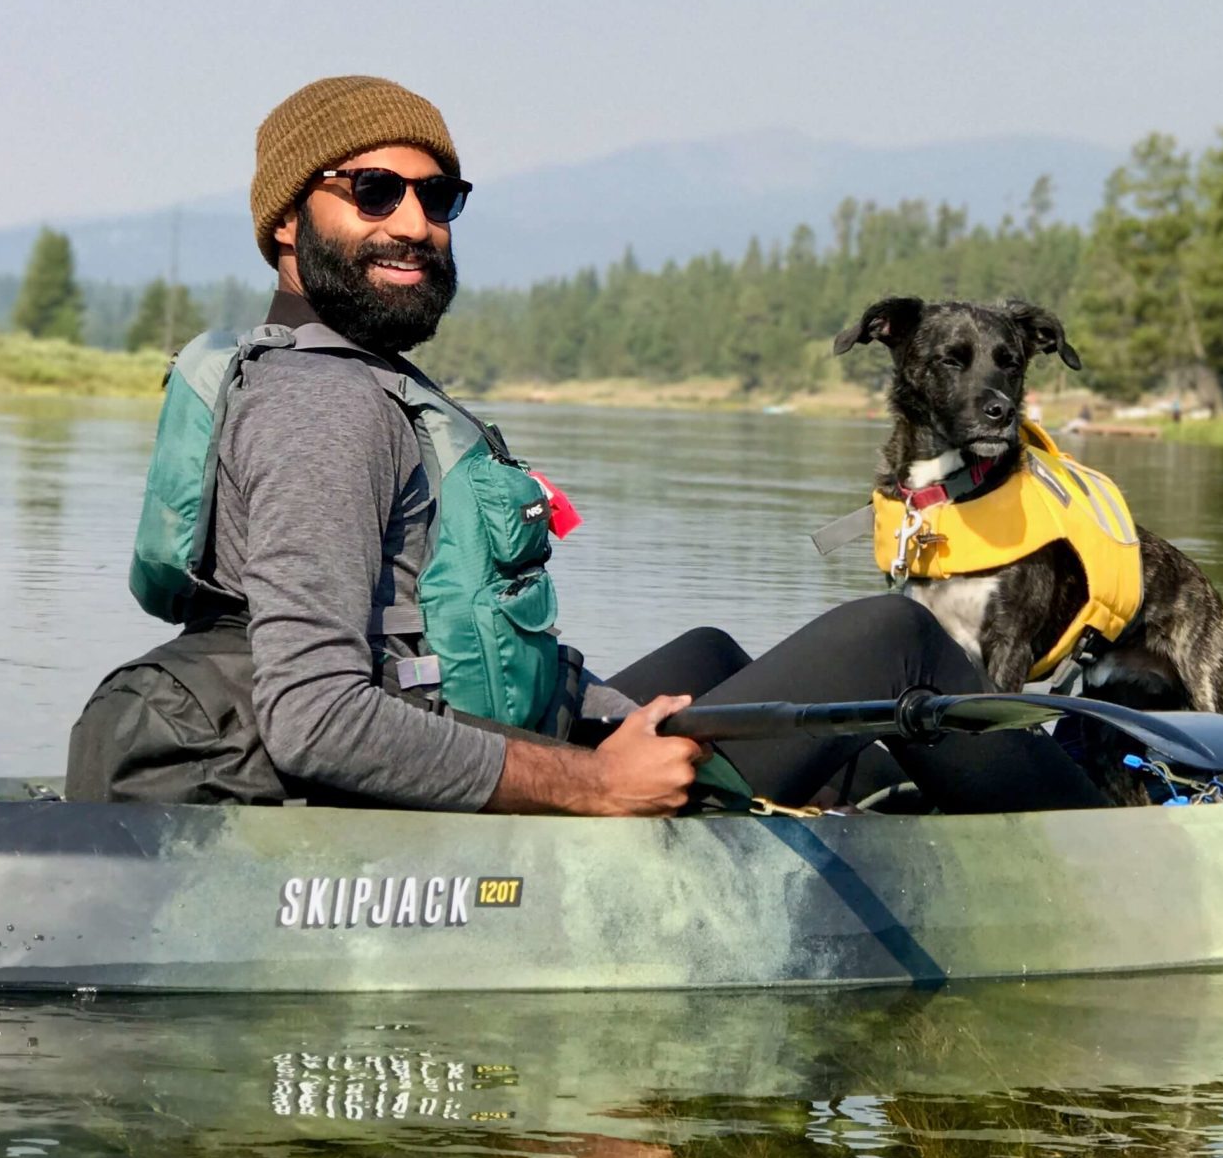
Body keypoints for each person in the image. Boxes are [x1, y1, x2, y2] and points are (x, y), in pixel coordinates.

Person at [68, 74, 1097, 816]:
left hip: (464, 742)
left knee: (708, 663)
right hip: (420, 821)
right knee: (890, 639)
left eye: (439, 197)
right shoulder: (324, 408)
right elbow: (316, 719)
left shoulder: (331, 374)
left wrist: (616, 725)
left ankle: (869, 803)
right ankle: (1117, 846)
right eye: (373, 192)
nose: (416, 222)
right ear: (286, 226)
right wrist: (599, 782)